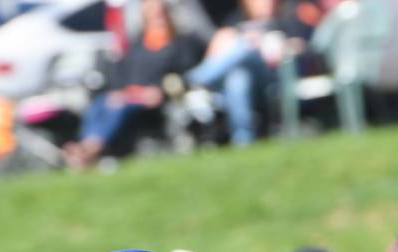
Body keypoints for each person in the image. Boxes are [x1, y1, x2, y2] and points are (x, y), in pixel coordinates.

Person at [63, 0, 205, 169]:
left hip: (153, 98)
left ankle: (90, 150)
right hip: (129, 94)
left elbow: (184, 75)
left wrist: (160, 91)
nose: (156, 16)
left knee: (118, 106)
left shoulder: (179, 44)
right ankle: (87, 145)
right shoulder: (137, 44)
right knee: (100, 102)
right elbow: (123, 73)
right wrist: (119, 91)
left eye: (159, 11)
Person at [185, 0, 309, 147]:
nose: (265, 4)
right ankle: (243, 139)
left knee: (246, 47)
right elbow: (215, 52)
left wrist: (280, 46)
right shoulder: (236, 23)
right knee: (238, 76)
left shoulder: (286, 20)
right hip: (238, 83)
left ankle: (196, 79)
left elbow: (304, 45)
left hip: (272, 77)